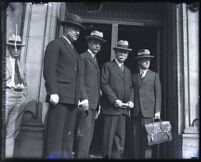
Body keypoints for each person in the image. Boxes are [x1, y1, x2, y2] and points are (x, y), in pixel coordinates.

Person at [43, 13, 86, 159]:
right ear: (66, 27)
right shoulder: (56, 44)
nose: (78, 32)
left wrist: (79, 97)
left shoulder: (73, 49)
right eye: (74, 28)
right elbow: (49, 70)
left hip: (72, 99)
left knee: (68, 137)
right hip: (59, 97)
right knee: (56, 134)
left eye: (79, 30)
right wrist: (53, 91)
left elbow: (77, 76)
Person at [75, 30, 106, 159]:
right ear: (88, 43)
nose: (97, 45)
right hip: (86, 102)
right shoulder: (83, 57)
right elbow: (80, 79)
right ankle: (81, 156)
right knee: (84, 131)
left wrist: (98, 104)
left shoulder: (94, 59)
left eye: (99, 43)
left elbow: (96, 85)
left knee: (89, 132)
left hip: (94, 102)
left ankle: (84, 154)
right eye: (94, 42)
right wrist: (84, 99)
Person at [101, 40, 134, 159]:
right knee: (108, 137)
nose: (123, 54)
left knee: (120, 137)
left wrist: (131, 100)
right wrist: (114, 100)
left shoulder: (128, 70)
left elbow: (131, 88)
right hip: (111, 108)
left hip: (123, 110)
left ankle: (117, 157)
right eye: (120, 51)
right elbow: (104, 84)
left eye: (125, 52)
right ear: (115, 52)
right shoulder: (108, 66)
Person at [132, 49, 161, 159]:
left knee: (148, 140)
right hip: (136, 112)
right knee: (136, 140)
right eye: (145, 60)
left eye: (149, 59)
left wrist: (157, 111)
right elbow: (132, 91)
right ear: (139, 62)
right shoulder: (133, 75)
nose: (148, 61)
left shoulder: (154, 76)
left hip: (149, 113)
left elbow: (158, 94)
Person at [5, 32, 28, 158]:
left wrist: (24, 95)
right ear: (8, 48)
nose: (16, 50)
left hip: (19, 97)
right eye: (13, 47)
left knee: (12, 131)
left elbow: (25, 80)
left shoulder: (22, 63)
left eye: (18, 47)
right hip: (7, 95)